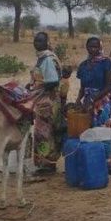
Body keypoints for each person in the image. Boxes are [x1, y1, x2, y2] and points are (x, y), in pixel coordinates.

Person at [28, 32, 64, 174]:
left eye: (40, 41)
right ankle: (48, 163)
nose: (37, 44)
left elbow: (52, 81)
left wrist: (37, 90)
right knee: (47, 132)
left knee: (44, 133)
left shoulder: (47, 59)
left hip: (46, 102)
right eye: (36, 41)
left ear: (47, 42)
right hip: (47, 101)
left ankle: (47, 165)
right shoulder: (43, 57)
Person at [75, 37, 111, 128]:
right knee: (89, 130)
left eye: (96, 47)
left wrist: (94, 99)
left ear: (100, 48)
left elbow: (110, 85)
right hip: (88, 102)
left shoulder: (106, 62)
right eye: (91, 46)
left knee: (103, 131)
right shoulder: (83, 66)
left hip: (103, 102)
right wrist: (78, 100)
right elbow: (82, 87)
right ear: (86, 47)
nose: (93, 49)